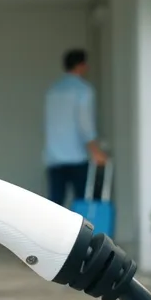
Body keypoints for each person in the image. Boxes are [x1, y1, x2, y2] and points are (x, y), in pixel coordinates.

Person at [43, 48, 107, 206]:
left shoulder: (53, 91)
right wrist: (96, 152)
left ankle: (52, 231)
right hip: (77, 156)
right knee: (83, 202)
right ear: (81, 65)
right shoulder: (83, 90)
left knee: (55, 203)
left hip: (54, 157)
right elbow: (85, 125)